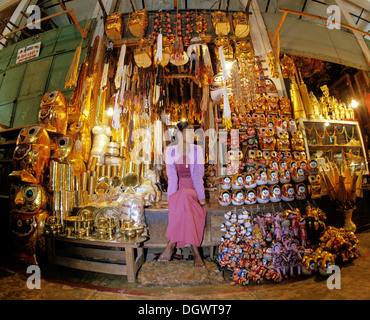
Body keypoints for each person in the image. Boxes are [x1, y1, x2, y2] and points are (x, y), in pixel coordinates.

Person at [158, 121, 207, 268]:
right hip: (178, 191)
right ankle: (195, 252)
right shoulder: (170, 151)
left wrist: (202, 198)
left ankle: (171, 244)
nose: (193, 134)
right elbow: (172, 178)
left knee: (185, 196)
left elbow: (198, 177)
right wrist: (171, 199)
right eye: (189, 131)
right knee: (181, 200)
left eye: (194, 131)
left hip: (192, 189)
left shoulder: (197, 150)